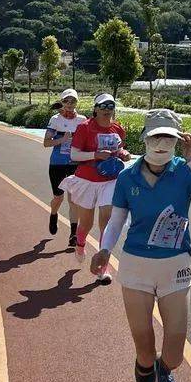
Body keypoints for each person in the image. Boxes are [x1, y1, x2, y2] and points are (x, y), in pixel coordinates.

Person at [90, 108, 191, 382]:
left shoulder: (184, 172)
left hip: (176, 265)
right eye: (156, 136)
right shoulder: (127, 177)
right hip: (135, 266)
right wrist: (105, 249)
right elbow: (117, 220)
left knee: (174, 350)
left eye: (169, 138)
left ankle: (166, 370)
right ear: (145, 138)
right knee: (144, 346)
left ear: (179, 141)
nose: (161, 143)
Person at [62, 93, 131, 276]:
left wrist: (122, 153)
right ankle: (80, 244)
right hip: (87, 181)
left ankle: (103, 268)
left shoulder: (118, 129)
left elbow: (119, 148)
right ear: (96, 108)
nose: (107, 110)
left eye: (111, 106)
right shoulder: (85, 127)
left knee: (106, 222)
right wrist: (95, 155)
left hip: (109, 180)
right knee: (86, 223)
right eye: (103, 106)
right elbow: (74, 155)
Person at [43, 89, 87, 244]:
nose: (69, 104)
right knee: (58, 198)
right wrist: (62, 140)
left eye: (72, 101)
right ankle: (53, 214)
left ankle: (73, 234)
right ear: (62, 102)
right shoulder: (55, 119)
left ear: (76, 103)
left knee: (74, 200)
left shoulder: (82, 120)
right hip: (57, 164)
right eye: (66, 101)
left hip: (75, 164)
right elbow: (46, 143)